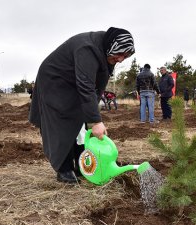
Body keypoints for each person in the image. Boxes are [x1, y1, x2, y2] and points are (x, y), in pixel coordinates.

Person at [29, 27, 135, 184]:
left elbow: (95, 86)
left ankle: (82, 166)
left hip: (72, 82)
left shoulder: (105, 51)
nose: (120, 59)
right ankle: (64, 169)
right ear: (112, 46)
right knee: (62, 122)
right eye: (120, 54)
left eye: (125, 57)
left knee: (79, 121)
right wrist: (96, 121)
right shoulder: (87, 48)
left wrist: (91, 113)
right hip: (54, 81)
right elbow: (86, 86)